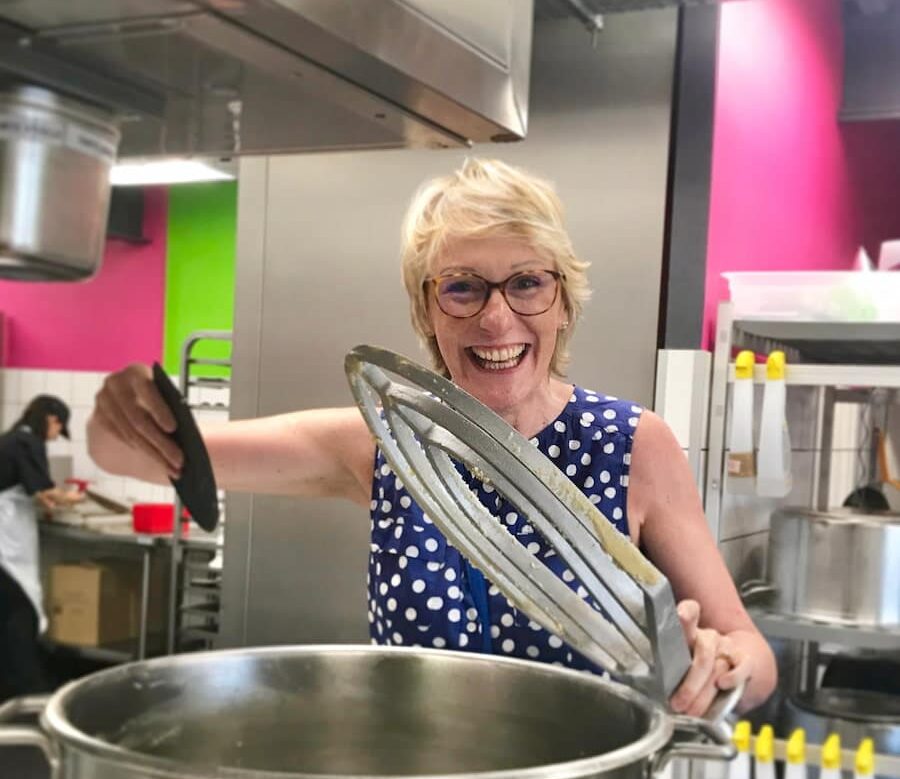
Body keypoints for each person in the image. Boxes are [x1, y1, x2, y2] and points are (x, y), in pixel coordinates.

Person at [87, 158, 777, 717]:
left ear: (562, 302)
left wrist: (727, 665)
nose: (497, 318)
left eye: (527, 283)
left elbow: (753, 653)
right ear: (427, 307)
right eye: (463, 288)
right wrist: (119, 411)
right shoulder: (384, 442)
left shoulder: (633, 446)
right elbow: (140, 459)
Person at [0, 395, 83, 701]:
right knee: (21, 609)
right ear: (51, 419)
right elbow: (44, 490)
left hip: (8, 529)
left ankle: (14, 685)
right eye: (57, 428)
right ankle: (29, 688)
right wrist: (71, 498)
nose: (54, 435)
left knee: (9, 606)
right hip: (6, 537)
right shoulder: (27, 443)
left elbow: (32, 489)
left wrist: (47, 498)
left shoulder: (11, 439)